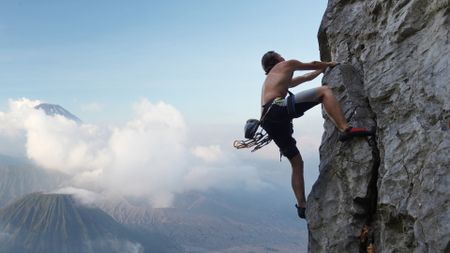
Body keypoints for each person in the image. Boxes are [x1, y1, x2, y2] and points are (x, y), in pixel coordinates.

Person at [260, 51, 374, 219]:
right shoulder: (285, 65)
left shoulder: (275, 78)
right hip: (277, 108)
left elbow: (306, 77)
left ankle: (301, 206)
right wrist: (329, 64)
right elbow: (312, 63)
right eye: (280, 55)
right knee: (324, 91)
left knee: (296, 162)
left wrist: (321, 70)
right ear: (277, 59)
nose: (283, 57)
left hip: (268, 120)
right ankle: (345, 128)